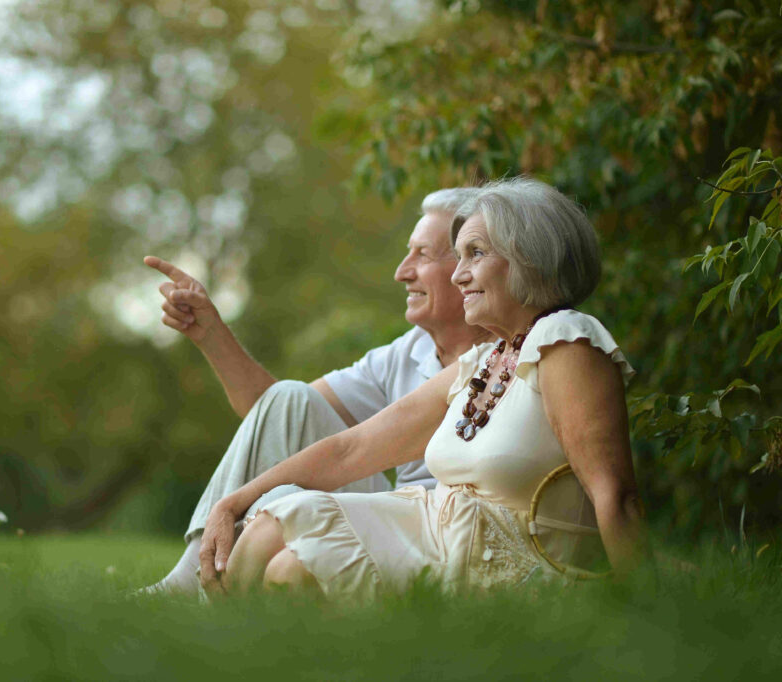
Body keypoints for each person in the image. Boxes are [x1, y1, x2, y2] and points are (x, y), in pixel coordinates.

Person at [199, 177, 646, 598]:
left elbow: (615, 494)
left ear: (530, 257)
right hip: (435, 531)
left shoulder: (566, 341)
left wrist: (643, 611)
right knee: (266, 529)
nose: (458, 275)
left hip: (507, 569)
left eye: (475, 253)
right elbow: (351, 450)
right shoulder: (484, 361)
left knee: (290, 572)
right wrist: (233, 503)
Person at [141, 188, 492, 595]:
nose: (402, 271)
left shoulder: (509, 354)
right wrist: (211, 334)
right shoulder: (407, 350)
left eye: (423, 255)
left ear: (470, 264)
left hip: (449, 528)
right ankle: (191, 577)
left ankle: (197, 588)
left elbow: (346, 452)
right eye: (406, 252)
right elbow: (276, 419)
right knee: (291, 403)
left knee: (289, 492)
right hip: (397, 509)